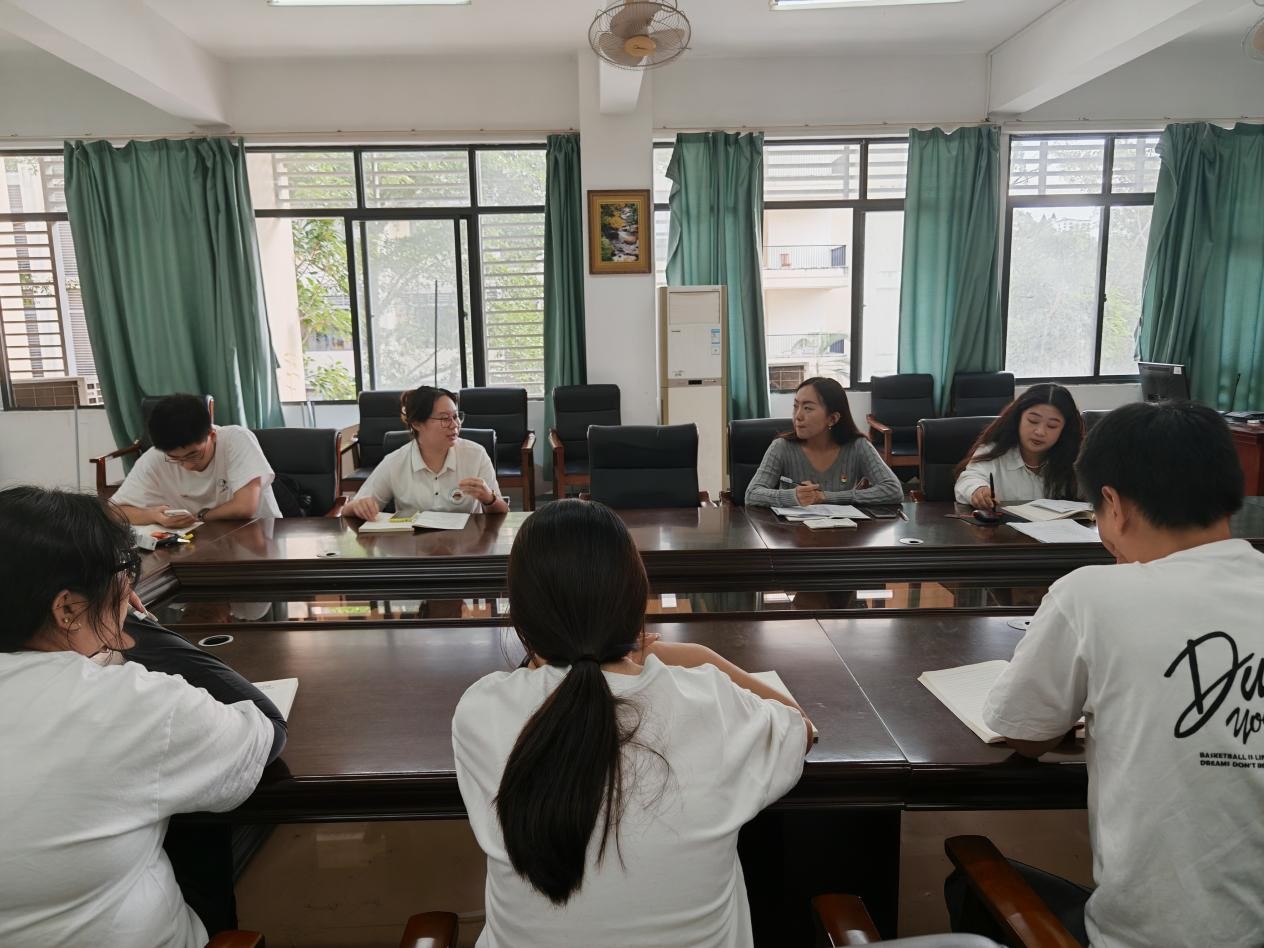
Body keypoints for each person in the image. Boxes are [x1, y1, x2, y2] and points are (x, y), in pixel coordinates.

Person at [950, 401, 1264, 947]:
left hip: (1150, 939)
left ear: (1113, 505)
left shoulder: (1092, 594)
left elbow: (1025, 733)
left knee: (966, 883)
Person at [452, 500, 812, 947]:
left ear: (521, 619)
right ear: (637, 602)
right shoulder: (709, 702)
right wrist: (693, 654)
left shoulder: (481, 711)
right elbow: (800, 727)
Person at [0, 486, 286, 947]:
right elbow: (265, 729)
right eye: (121, 576)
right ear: (68, 608)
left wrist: (101, 621)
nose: (128, 589)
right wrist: (134, 628)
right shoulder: (131, 703)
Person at [112, 394, 280, 526]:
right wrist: (151, 515)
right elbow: (114, 512)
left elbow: (244, 507)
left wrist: (199, 517)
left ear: (212, 435)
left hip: (259, 535)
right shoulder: (155, 457)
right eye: (175, 458)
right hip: (200, 541)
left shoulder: (236, 439)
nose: (187, 466)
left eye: (193, 455)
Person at [343, 386, 508, 520]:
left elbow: (502, 510)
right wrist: (358, 507)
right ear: (416, 423)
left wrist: (489, 498)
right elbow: (349, 509)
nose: (454, 425)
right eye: (444, 418)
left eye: (456, 416)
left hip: (467, 545)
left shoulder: (476, 454)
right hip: (413, 546)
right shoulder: (395, 461)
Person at [745, 376, 903, 508]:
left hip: (843, 533)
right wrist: (792, 496)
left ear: (833, 418)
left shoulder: (858, 446)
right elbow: (752, 494)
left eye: (808, 408)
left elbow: (893, 490)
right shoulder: (782, 447)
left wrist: (825, 497)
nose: (797, 416)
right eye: (796, 406)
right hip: (792, 533)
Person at [953, 382, 1083, 508]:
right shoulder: (994, 451)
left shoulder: (1075, 458)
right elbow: (969, 478)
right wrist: (978, 490)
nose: (1040, 432)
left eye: (1052, 426)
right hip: (1004, 523)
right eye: (1033, 421)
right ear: (1018, 418)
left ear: (1065, 430)